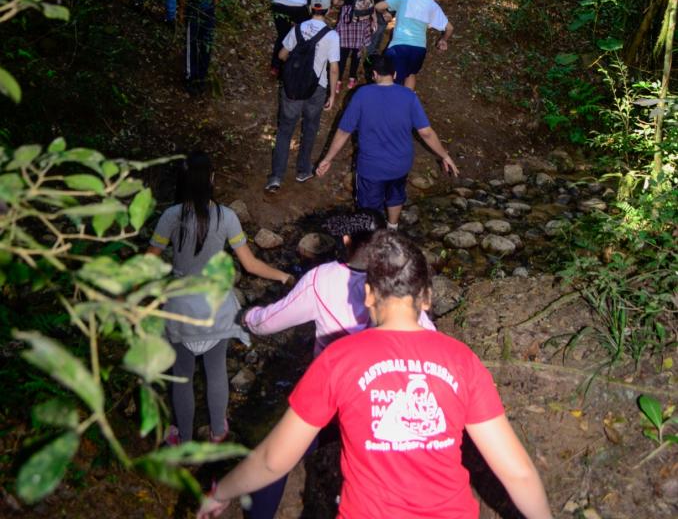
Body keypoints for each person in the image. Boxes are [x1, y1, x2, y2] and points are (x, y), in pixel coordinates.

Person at [197, 232, 554, 519]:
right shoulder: (462, 361)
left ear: (368, 295)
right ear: (426, 298)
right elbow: (518, 472)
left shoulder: (339, 359)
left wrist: (220, 492)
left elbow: (273, 460)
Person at [239, 212, 434, 519]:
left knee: (274, 462)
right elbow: (427, 339)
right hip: (382, 401)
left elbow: (271, 321)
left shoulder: (322, 279)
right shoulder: (398, 287)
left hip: (331, 398)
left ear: (346, 240)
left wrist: (249, 318)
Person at [148, 151, 291, 446]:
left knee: (182, 375)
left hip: (181, 309)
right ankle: (217, 431)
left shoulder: (170, 217)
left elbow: (148, 262)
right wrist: (284, 277)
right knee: (216, 372)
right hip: (217, 308)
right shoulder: (227, 217)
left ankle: (182, 438)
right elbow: (250, 265)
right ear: (212, 180)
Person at [316, 54, 457, 228]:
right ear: (395, 74)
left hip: (371, 168)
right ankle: (392, 229)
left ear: (374, 74)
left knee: (368, 208)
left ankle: (369, 241)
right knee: (395, 196)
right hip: (400, 165)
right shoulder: (409, 96)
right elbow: (426, 132)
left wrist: (327, 159)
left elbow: (344, 131)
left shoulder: (362, 95)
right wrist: (445, 155)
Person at [266, 0, 340, 193]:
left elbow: (282, 55)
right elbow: (333, 68)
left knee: (284, 130)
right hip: (317, 88)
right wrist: (333, 95)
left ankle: (276, 177)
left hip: (292, 87)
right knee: (310, 127)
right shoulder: (331, 35)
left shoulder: (297, 29)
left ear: (310, 8)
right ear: (328, 10)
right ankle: (302, 171)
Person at [376, 0, 453, 91]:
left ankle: (390, 104)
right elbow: (450, 28)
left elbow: (378, 6)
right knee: (410, 74)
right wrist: (443, 40)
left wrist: (385, 13)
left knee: (390, 77)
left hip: (399, 46)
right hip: (419, 49)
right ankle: (406, 103)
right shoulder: (432, 3)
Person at [333, 0, 375, 90]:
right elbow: (370, 0)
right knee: (357, 49)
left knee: (343, 50)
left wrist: (344, 3)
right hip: (361, 15)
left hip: (346, 16)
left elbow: (335, 1)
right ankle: (352, 79)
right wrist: (373, 18)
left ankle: (338, 81)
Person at [183, 0, 223, 95]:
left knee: (206, 46)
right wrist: (183, 13)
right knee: (192, 45)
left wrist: (214, 13)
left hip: (209, 15)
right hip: (194, 13)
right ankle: (190, 78)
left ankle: (201, 76)